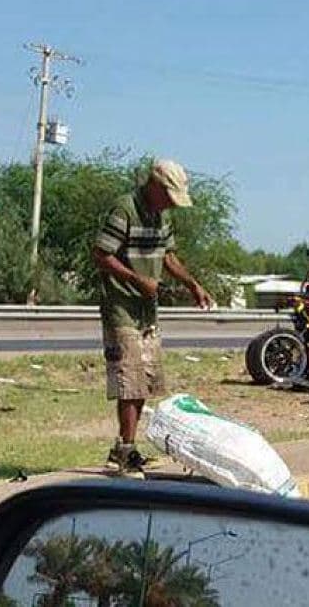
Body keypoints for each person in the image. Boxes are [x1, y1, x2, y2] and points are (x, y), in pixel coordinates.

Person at [93, 160, 211, 478]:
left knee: (144, 380)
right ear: (155, 186)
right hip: (122, 307)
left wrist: (192, 284)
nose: (172, 202)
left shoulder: (162, 215)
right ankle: (125, 453)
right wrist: (136, 279)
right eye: (169, 195)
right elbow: (101, 255)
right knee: (129, 380)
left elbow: (167, 256)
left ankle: (123, 449)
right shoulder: (125, 208)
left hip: (147, 310)